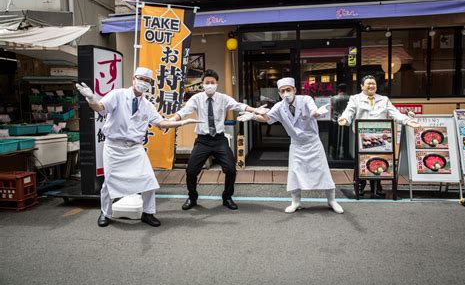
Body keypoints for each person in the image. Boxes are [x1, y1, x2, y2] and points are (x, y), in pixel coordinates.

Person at [76, 67, 200, 227]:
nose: (143, 83)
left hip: (135, 148)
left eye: (147, 81)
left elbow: (161, 122)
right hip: (114, 147)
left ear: (150, 84)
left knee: (148, 179)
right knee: (109, 182)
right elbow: (100, 108)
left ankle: (148, 213)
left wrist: (181, 122)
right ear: (134, 78)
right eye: (141, 79)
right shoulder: (118, 95)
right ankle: (105, 213)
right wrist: (91, 99)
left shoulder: (147, 105)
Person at [237, 77, 344, 214]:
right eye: (282, 91)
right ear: (279, 93)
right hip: (296, 144)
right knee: (294, 173)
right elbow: (266, 118)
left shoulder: (305, 100)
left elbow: (313, 110)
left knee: (323, 171)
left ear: (294, 90)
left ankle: (332, 200)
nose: (286, 93)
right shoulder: (279, 107)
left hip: (313, 143)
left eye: (288, 90)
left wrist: (316, 113)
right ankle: (296, 202)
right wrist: (252, 116)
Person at [170, 69, 269, 211]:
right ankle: (192, 197)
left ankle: (227, 197)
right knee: (191, 171)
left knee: (230, 169)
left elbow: (239, 105)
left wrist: (255, 110)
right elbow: (183, 112)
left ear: (217, 84)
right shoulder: (196, 98)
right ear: (202, 84)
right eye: (207, 83)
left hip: (219, 140)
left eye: (212, 82)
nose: (209, 85)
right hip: (203, 140)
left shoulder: (223, 98)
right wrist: (171, 120)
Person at [338, 74, 420, 197]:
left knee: (378, 159)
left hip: (381, 136)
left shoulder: (384, 99)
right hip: (362, 137)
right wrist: (344, 118)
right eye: (368, 84)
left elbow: (395, 113)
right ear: (362, 86)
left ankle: (376, 186)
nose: (371, 86)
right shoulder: (355, 99)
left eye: (374, 84)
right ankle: (360, 184)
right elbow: (349, 111)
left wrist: (407, 121)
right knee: (361, 160)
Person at [330, 83, 350, 160]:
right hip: (346, 119)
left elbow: (332, 109)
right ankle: (345, 153)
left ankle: (334, 153)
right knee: (345, 137)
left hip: (335, 119)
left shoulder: (334, 98)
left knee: (335, 137)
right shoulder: (349, 98)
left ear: (338, 89)